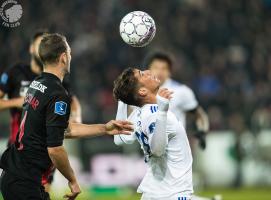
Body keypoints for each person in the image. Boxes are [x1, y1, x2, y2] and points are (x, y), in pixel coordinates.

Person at [0, 33, 133, 200]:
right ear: (63, 57)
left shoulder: (37, 84)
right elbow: (55, 149)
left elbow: (64, 129)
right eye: (69, 52)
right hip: (24, 182)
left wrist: (105, 128)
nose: (71, 56)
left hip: (18, 175)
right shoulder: (57, 93)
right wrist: (72, 179)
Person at [113, 67, 193, 200]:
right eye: (142, 74)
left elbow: (120, 139)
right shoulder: (155, 113)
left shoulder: (139, 113)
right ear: (142, 91)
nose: (148, 72)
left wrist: (123, 100)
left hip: (153, 192)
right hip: (172, 193)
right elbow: (157, 150)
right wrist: (162, 112)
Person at [145, 52, 209, 149]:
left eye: (164, 68)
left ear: (169, 72)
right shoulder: (140, 93)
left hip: (176, 150)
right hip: (149, 150)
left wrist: (202, 131)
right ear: (148, 70)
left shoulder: (181, 91)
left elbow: (199, 115)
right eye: (156, 68)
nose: (160, 72)